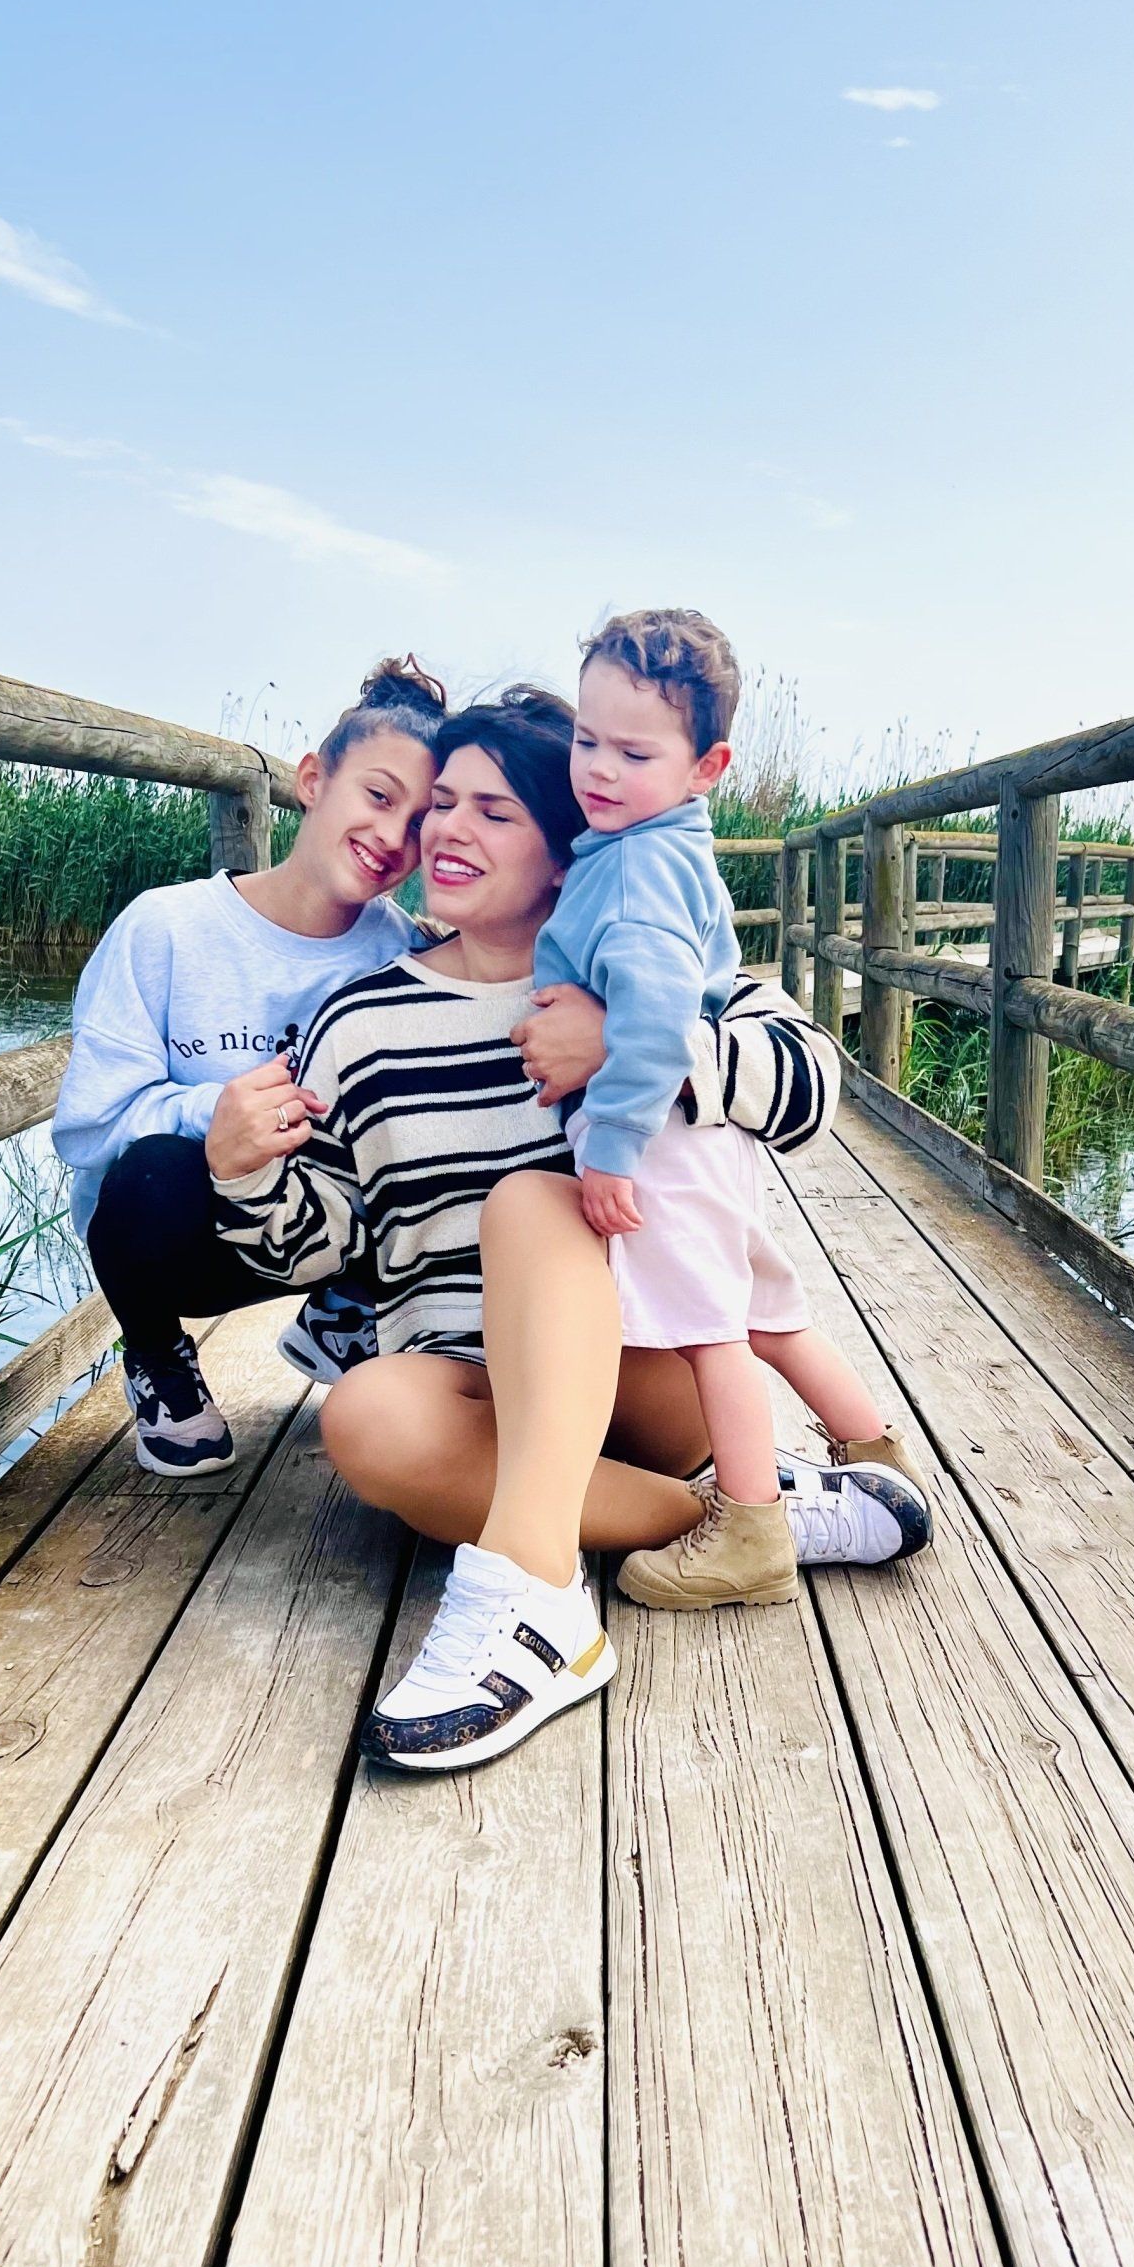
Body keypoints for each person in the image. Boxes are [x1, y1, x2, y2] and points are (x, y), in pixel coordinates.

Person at [208, 688, 930, 1773]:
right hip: (466, 1386)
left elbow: (814, 1086)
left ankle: (532, 1599)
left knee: (533, 1204)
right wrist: (241, 1173)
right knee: (363, 1420)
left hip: (643, 1366)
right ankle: (743, 1512)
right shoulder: (358, 1024)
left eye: (495, 812)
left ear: (566, 850)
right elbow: (312, 1246)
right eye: (443, 803)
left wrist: (642, 1044)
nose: (447, 829)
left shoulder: (651, 969)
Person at [541, 609, 924, 1610]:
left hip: (659, 1142)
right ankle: (876, 1452)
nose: (599, 768)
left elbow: (660, 1022)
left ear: (706, 765)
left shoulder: (635, 871)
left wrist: (612, 1150)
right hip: (705, 1141)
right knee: (760, 1307)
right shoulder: (660, 841)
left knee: (709, 1327)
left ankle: (751, 1528)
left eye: (634, 750)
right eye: (587, 740)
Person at [51, 659, 444, 1475]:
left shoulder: (401, 950)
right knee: (148, 1173)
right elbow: (87, 1128)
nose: (390, 838)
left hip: (319, 1225)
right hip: (183, 1236)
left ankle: (349, 1309)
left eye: (418, 822)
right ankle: (159, 1362)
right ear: (312, 780)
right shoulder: (164, 929)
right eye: (377, 796)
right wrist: (213, 1114)